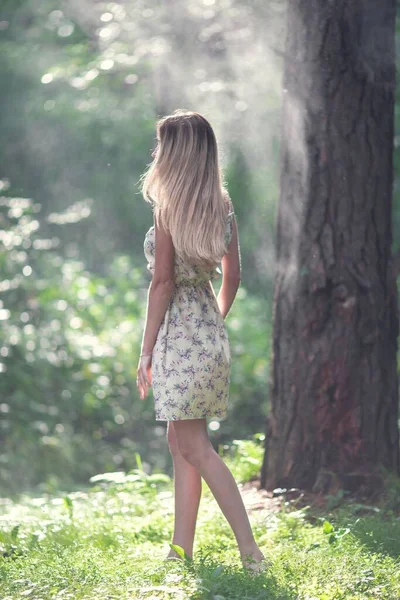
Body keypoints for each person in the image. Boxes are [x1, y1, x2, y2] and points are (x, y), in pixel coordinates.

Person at [136, 109, 267, 574]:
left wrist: (146, 350)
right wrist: (214, 323)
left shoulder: (168, 205)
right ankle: (180, 550)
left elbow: (162, 283)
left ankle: (250, 551)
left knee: (195, 448)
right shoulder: (222, 203)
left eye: (163, 145)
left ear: (176, 151)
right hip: (209, 334)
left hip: (176, 337)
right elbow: (234, 276)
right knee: (181, 442)